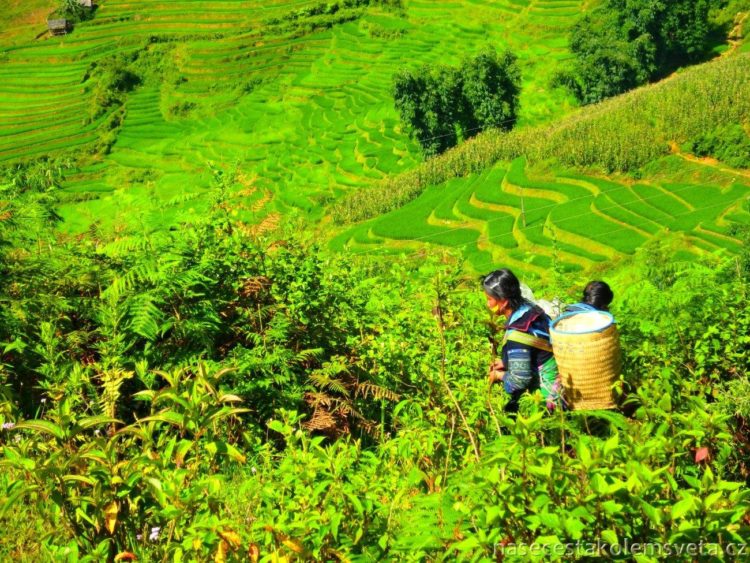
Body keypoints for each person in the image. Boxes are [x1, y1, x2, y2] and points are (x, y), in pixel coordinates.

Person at [484, 268, 564, 412]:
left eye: (490, 299)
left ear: (504, 301)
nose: (488, 304)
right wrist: (506, 362)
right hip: (559, 379)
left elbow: (519, 380)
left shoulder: (518, 332)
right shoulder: (531, 309)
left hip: (545, 398)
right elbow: (536, 349)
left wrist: (498, 375)